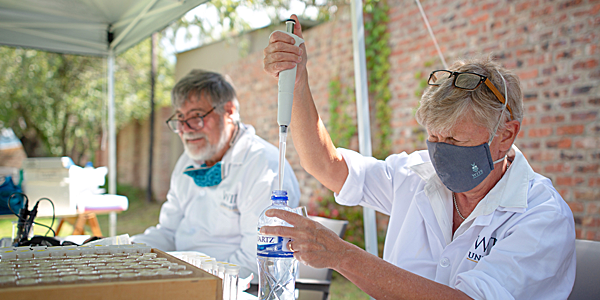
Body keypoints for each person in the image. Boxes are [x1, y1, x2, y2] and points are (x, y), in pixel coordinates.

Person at [261, 15, 576, 299]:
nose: (440, 152)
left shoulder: (541, 216)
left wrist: (341, 255)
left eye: (454, 139)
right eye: (434, 137)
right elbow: (327, 166)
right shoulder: (416, 174)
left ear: (505, 135)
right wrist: (298, 82)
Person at [131, 69, 300, 279]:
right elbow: (168, 232)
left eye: (196, 116)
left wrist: (184, 276)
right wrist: (126, 250)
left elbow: (256, 263)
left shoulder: (263, 167)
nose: (186, 128)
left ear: (229, 111)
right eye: (180, 117)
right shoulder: (188, 162)